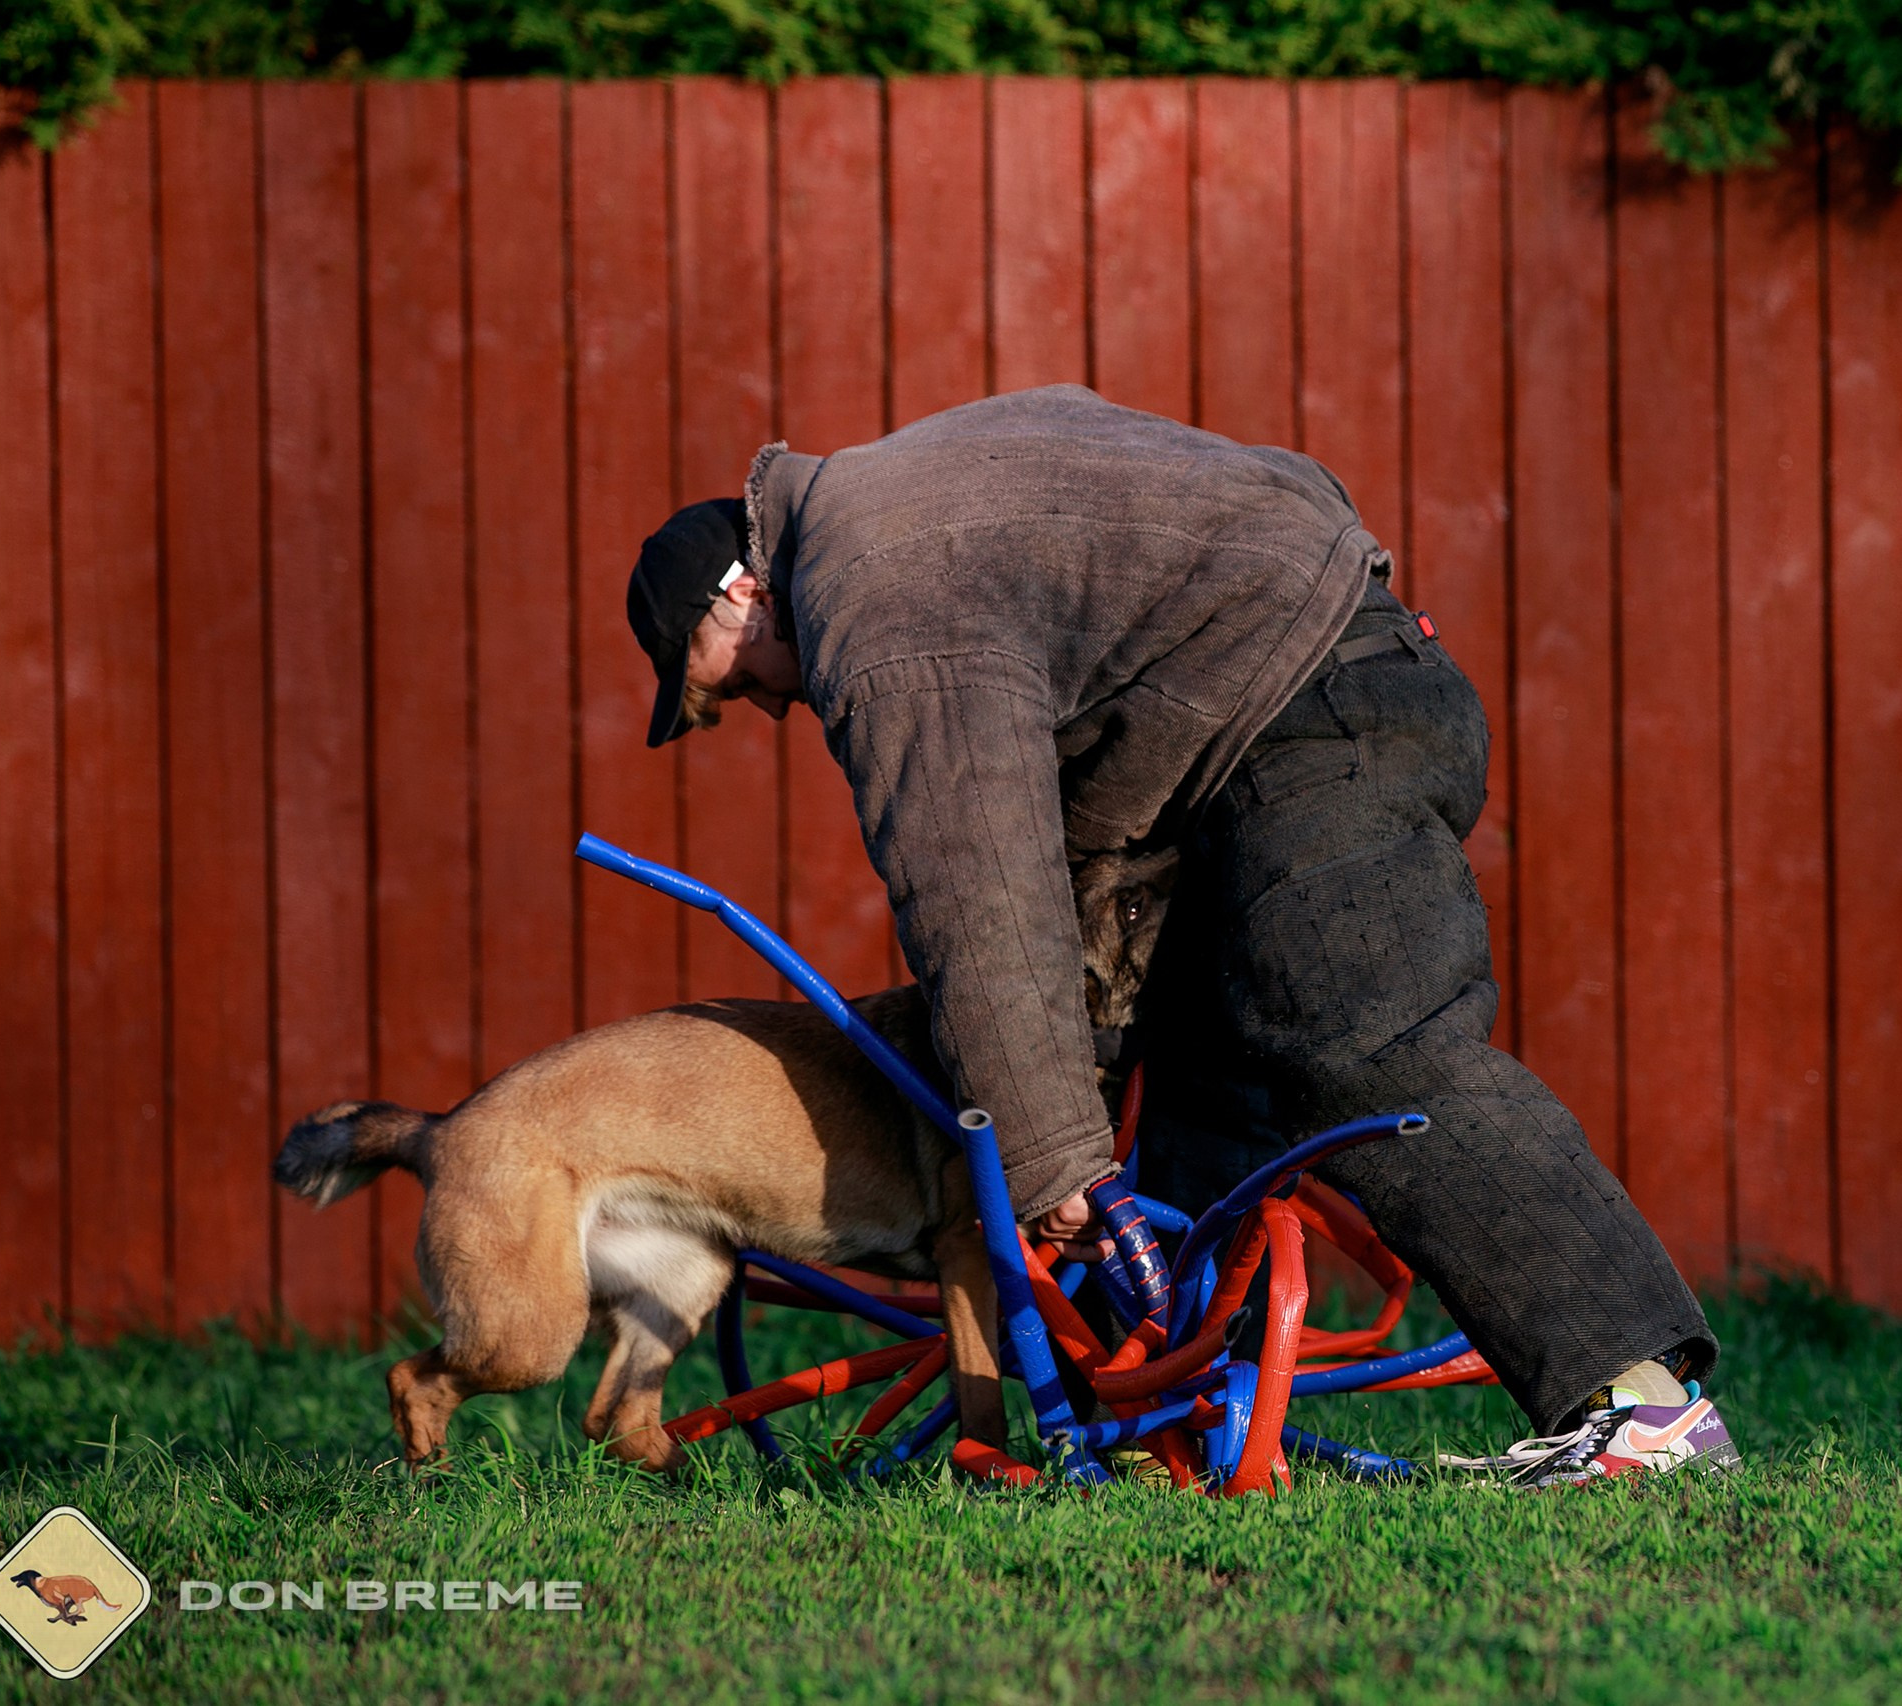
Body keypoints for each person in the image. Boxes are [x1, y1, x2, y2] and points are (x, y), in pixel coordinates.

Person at [623, 385, 1739, 1484]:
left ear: (741, 596)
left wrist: (1054, 1154)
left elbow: (978, 892)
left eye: (735, 689)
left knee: (1363, 1041)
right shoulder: (917, 484)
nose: (773, 709)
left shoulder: (872, 595)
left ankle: (1641, 1403)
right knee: (1198, 1070)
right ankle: (1194, 1421)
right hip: (1296, 701)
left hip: (1307, 717)